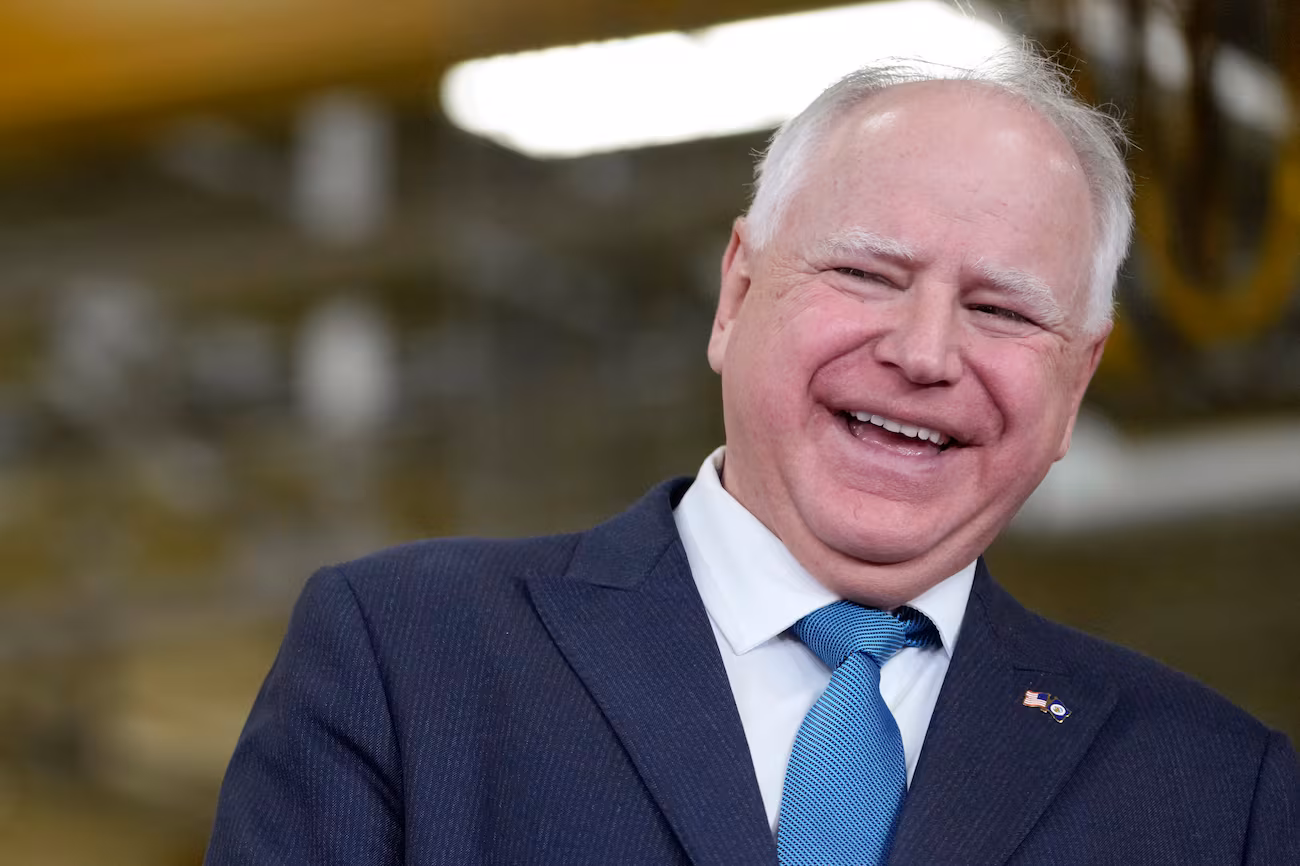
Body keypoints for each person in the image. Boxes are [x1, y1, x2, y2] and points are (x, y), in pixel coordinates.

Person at [205, 46, 1300, 865]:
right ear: (736, 293)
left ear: (1076, 385)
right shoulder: (410, 658)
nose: (924, 352)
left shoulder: (1219, 794)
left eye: (1002, 310)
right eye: (868, 274)